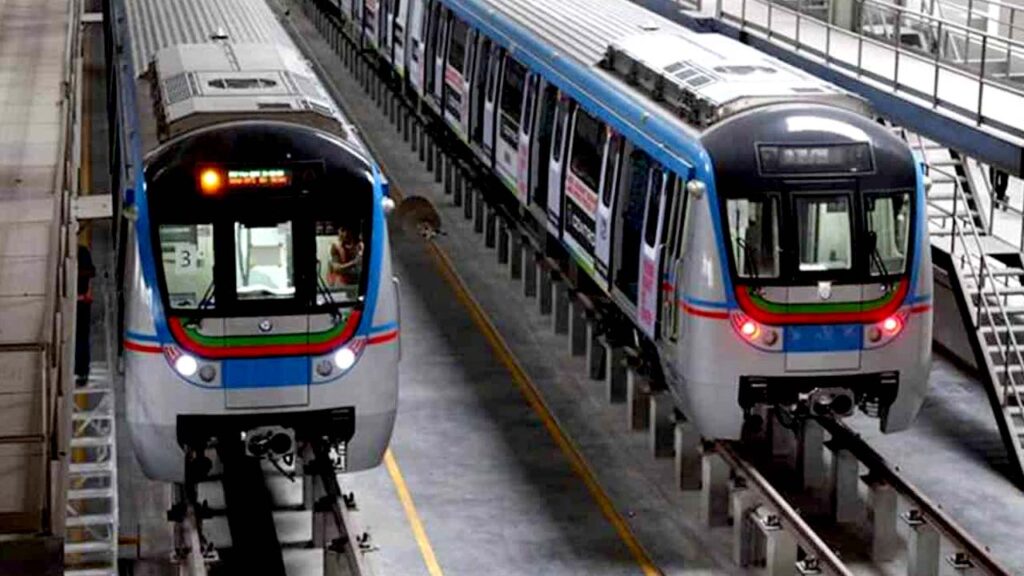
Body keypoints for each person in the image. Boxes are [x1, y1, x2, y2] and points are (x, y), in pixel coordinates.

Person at [75, 243, 95, 387]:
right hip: (80, 301)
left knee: (81, 338)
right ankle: (81, 372)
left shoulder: (82, 252)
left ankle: (82, 372)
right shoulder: (82, 252)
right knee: (80, 338)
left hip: (81, 302)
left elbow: (89, 275)